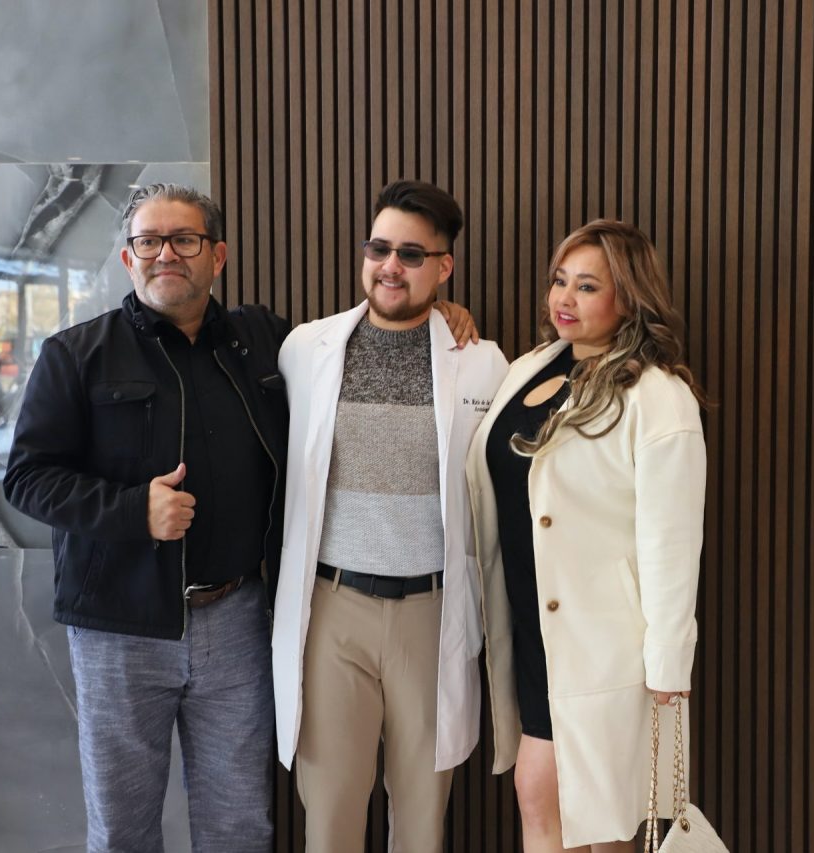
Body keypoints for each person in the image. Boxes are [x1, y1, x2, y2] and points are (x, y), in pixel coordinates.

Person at [2, 182, 476, 852]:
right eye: (148, 241)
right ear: (128, 258)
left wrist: (438, 313)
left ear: (217, 255)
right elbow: (26, 478)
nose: (166, 254)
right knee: (122, 828)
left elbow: (379, 319)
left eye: (184, 239)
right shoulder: (76, 354)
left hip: (237, 620)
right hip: (119, 627)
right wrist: (131, 509)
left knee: (238, 825)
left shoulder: (265, 342)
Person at [271, 179, 508, 852]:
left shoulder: (482, 363)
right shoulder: (305, 349)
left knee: (422, 821)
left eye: (411, 254)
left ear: (444, 266)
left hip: (431, 613)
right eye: (379, 248)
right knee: (330, 818)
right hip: (331, 608)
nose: (390, 266)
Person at [465, 219, 708, 851]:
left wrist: (668, 665)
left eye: (587, 286)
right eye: (559, 281)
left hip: (607, 647)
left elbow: (671, 543)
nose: (564, 298)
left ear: (629, 299)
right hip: (534, 631)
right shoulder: (530, 367)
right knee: (542, 797)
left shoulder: (658, 397)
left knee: (595, 820)